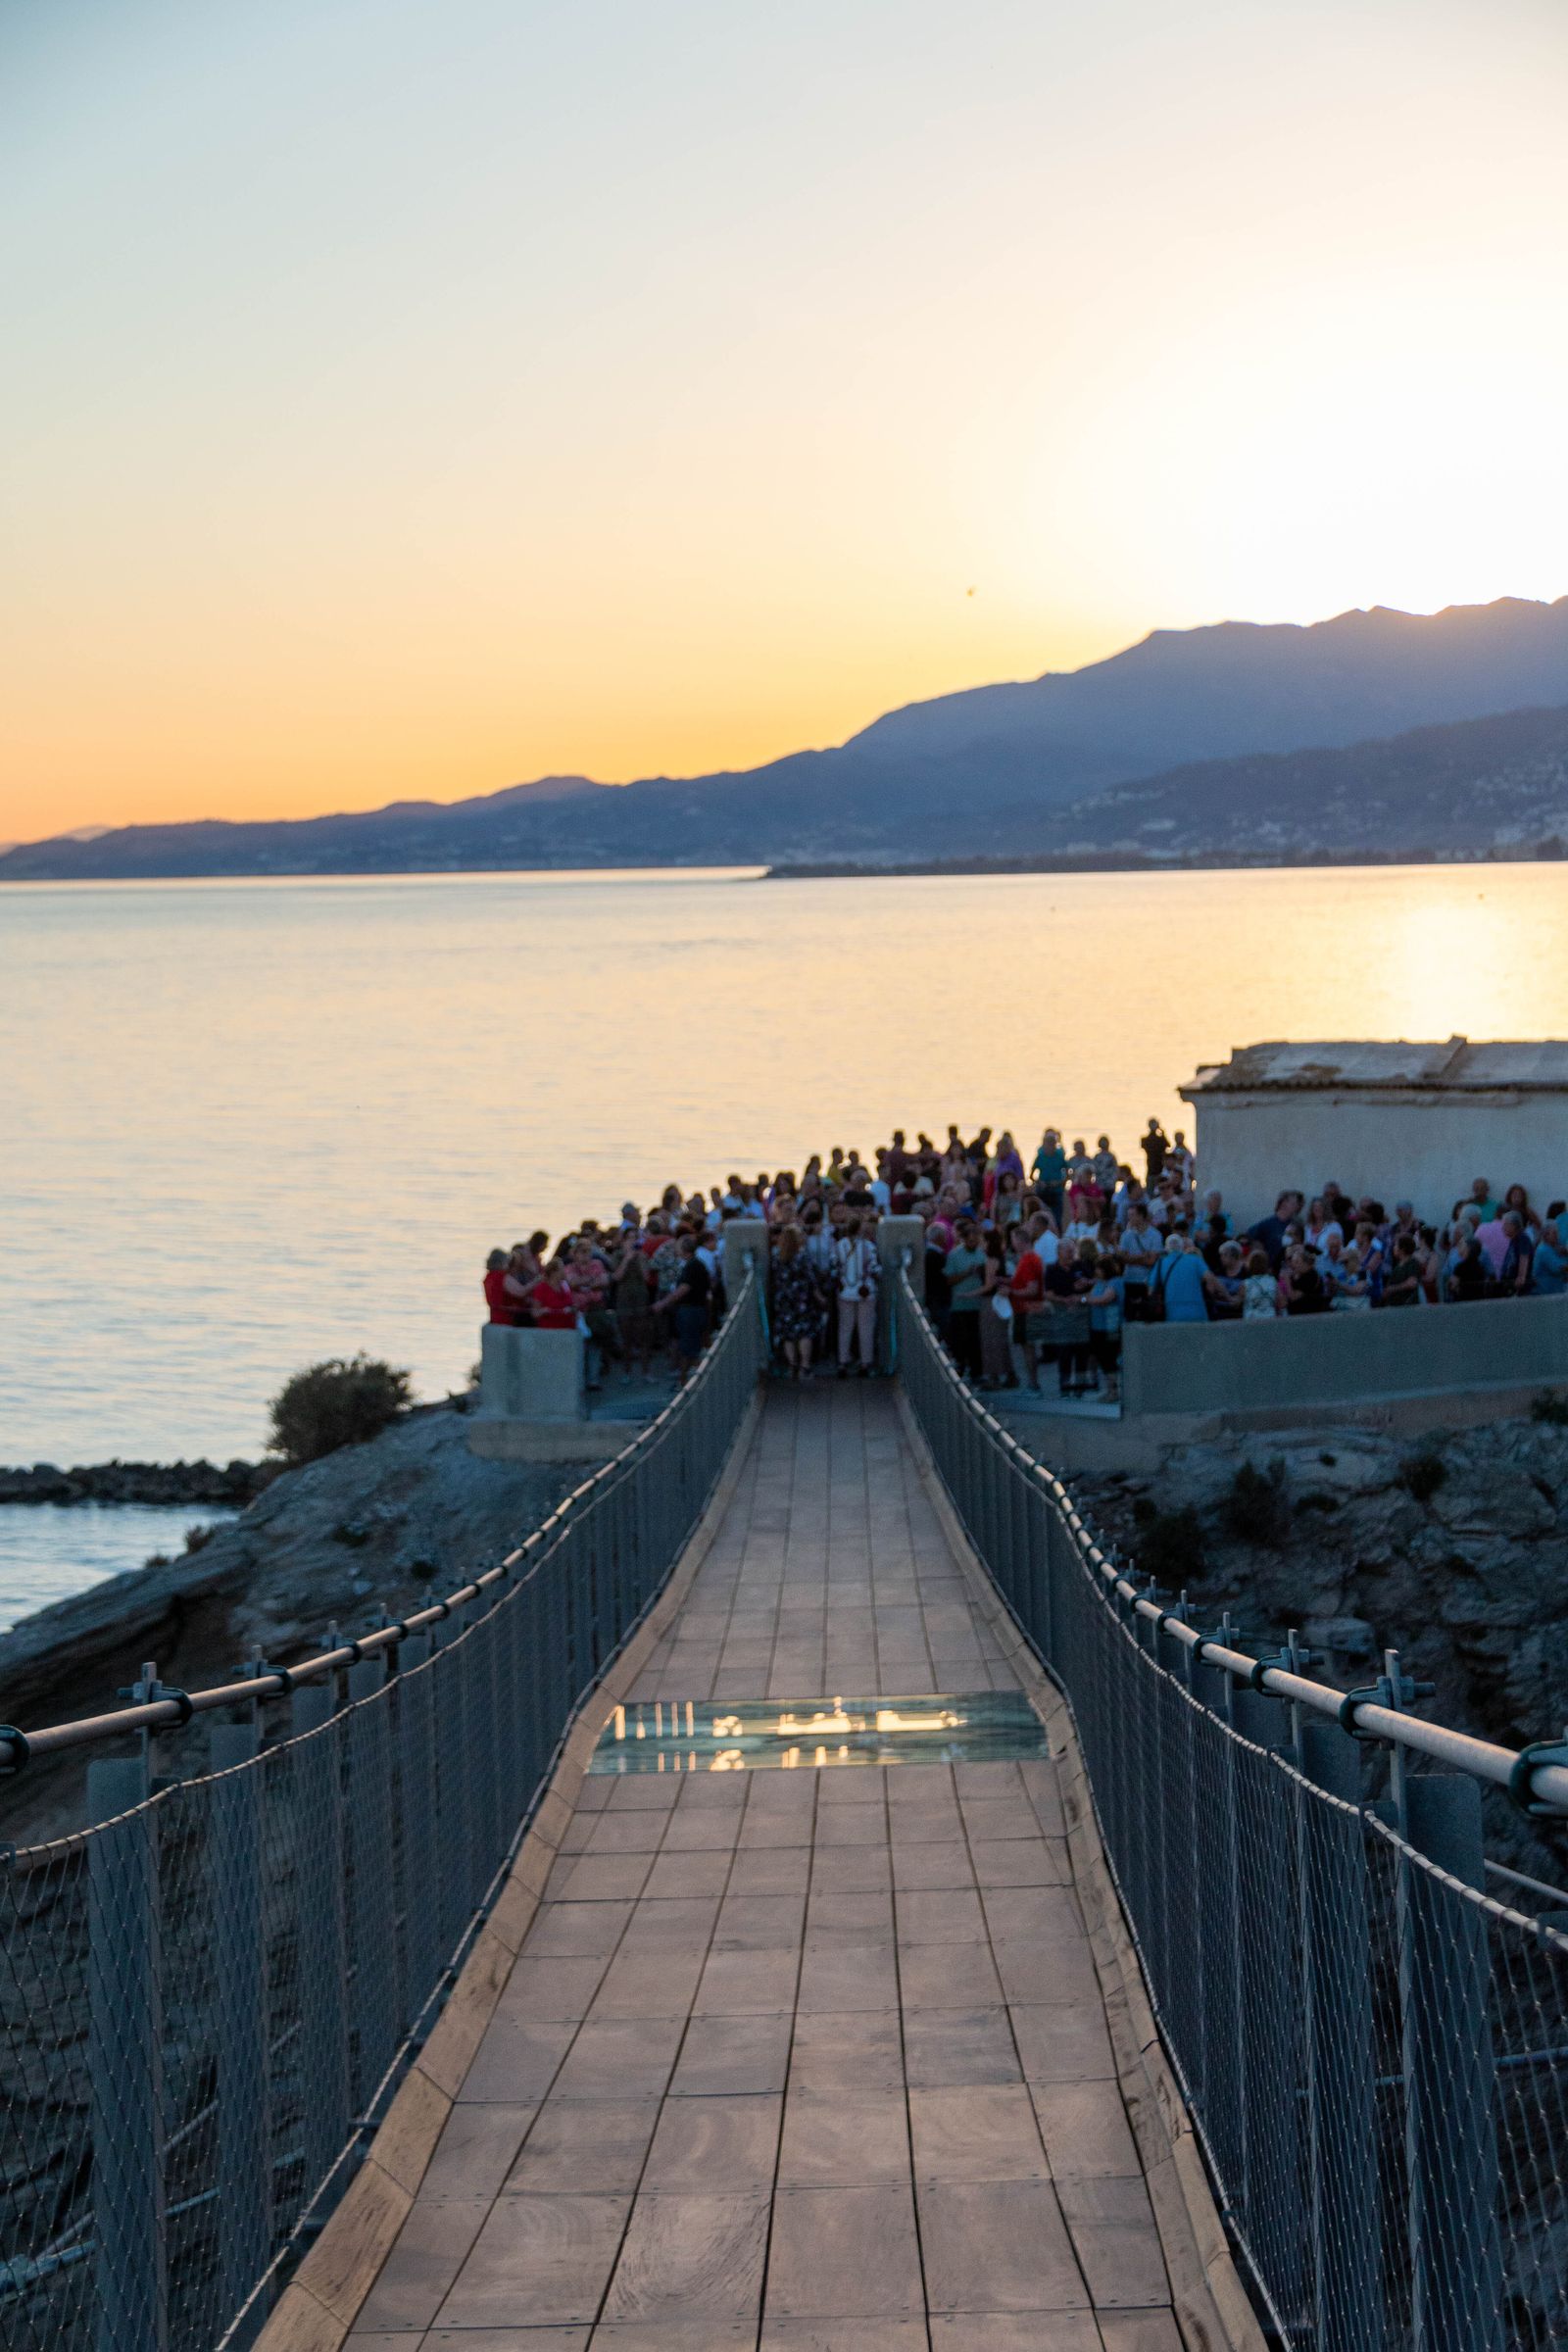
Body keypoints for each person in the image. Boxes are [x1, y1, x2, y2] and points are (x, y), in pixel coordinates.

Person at [656, 1232, 711, 1382]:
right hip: (694, 1310)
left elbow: (683, 1289)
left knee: (688, 1349)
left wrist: (663, 1303)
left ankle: (685, 1381)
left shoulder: (692, 1266)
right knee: (690, 1346)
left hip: (690, 1311)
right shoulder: (695, 1264)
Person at [770, 1223, 821, 1379]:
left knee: (788, 1334)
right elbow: (811, 1279)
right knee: (804, 1333)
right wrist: (819, 1296)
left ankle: (792, 1366)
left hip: (784, 1300)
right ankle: (804, 1366)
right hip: (802, 1300)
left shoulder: (777, 1257)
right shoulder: (802, 1256)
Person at [834, 1215, 880, 1376]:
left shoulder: (839, 1245)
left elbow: (835, 1266)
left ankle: (842, 1361)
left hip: (845, 1291)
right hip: (866, 1291)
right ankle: (865, 1362)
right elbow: (875, 1268)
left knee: (845, 1327)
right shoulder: (869, 1246)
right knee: (865, 1328)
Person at [943, 1217, 988, 1379]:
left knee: (975, 1340)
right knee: (960, 1340)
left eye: (975, 1241)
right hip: (959, 1304)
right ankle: (960, 1368)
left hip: (976, 1305)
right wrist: (967, 1273)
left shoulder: (981, 1254)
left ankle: (977, 1371)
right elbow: (949, 1279)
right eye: (970, 1241)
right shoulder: (954, 1255)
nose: (973, 1243)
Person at [611, 1227, 657, 1377]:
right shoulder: (618, 1255)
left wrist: (640, 1259)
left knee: (643, 1337)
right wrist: (627, 1258)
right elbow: (617, 1277)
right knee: (626, 1338)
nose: (633, 1241)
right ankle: (627, 1371)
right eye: (630, 1238)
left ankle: (646, 1371)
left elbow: (646, 1277)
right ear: (624, 1240)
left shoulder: (642, 1256)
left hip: (640, 1299)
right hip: (624, 1300)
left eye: (635, 1238)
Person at [978, 1228, 1015, 1387]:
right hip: (998, 1302)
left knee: (991, 1340)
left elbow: (988, 1285)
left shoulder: (991, 1261)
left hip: (991, 1303)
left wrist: (968, 1294)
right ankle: (1007, 1374)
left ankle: (996, 1376)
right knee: (999, 1339)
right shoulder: (1002, 1260)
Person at [1086, 1253, 1125, 1399]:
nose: (1096, 1271)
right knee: (1101, 1358)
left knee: (1109, 1359)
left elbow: (1105, 1299)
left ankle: (1113, 1391)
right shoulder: (1099, 1283)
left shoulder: (1116, 1282)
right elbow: (1090, 1296)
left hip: (1110, 1328)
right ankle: (1109, 1389)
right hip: (1097, 1327)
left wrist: (1086, 1300)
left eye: (1099, 1269)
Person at [1242, 1249, 1280, 1319]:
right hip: (1270, 1318)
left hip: (1251, 1320)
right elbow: (1281, 1302)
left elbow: (1238, 1301)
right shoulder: (1273, 1281)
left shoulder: (1246, 1283)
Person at [1141, 1119, 1169, 1186]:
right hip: (1151, 1169)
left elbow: (1168, 1145)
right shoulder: (1145, 1139)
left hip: (1159, 1169)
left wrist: (1163, 1135)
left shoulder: (1159, 1139)